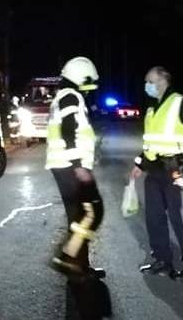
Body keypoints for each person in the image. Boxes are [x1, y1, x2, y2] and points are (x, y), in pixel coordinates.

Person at [132, 66, 183, 281]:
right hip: (154, 172)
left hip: (175, 170)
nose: (146, 86)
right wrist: (139, 163)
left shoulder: (180, 103)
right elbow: (151, 141)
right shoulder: (152, 108)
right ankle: (162, 260)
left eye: (149, 81)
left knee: (180, 218)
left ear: (161, 81)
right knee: (154, 218)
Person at [46, 57, 105, 279]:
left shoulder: (63, 96)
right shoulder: (71, 96)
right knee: (93, 212)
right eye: (88, 82)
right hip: (70, 166)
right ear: (81, 77)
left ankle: (79, 267)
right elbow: (68, 129)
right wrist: (78, 165)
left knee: (79, 216)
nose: (89, 88)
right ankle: (67, 257)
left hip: (63, 165)